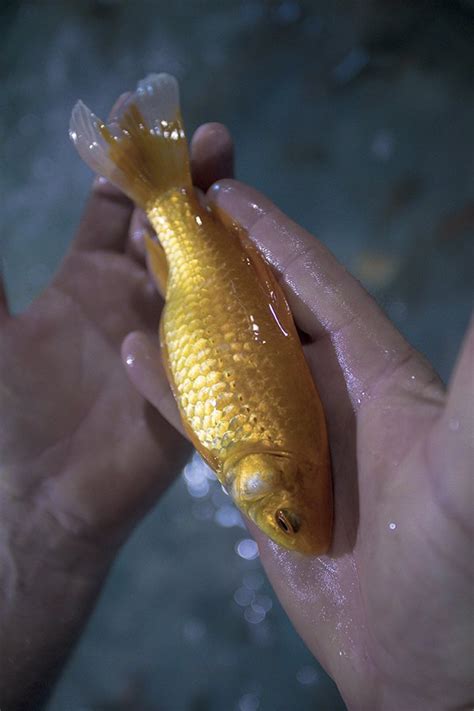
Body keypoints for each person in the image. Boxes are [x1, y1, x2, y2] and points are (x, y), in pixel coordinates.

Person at [0, 109, 471, 711]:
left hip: (194, 291)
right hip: (203, 277)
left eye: (287, 519)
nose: (291, 530)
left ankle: (161, 190)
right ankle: (166, 196)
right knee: (183, 213)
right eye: (287, 522)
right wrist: (31, 518)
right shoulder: (254, 447)